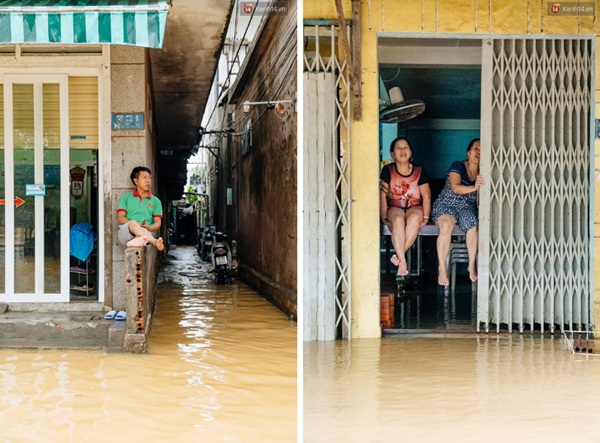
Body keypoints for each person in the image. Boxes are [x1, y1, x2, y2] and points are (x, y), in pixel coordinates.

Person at [431, 138, 484, 286]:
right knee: (446, 226)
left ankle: (471, 265)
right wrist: (474, 187)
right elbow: (455, 187)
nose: (478, 152)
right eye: (475, 148)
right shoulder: (458, 165)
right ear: (468, 152)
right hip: (447, 205)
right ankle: (442, 267)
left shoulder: (485, 170)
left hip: (467, 207)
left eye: (482, 149)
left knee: (473, 226)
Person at [380, 137, 431, 277]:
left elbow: (426, 195)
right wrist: (384, 217)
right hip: (394, 206)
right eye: (398, 148)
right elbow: (382, 196)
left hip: (415, 206)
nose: (403, 151)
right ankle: (402, 260)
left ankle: (399, 257)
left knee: (415, 219)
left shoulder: (419, 171)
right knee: (397, 221)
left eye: (406, 148)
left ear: (411, 152)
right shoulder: (387, 170)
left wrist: (426, 217)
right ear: (392, 154)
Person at [117, 166, 164, 251]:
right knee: (133, 223)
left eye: (149, 178)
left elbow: (158, 223)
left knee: (143, 233)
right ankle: (155, 242)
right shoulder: (126, 197)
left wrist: (149, 227)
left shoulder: (156, 201)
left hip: (146, 233)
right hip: (126, 232)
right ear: (136, 181)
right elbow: (120, 218)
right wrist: (136, 225)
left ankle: (136, 241)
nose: (148, 181)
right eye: (144, 178)